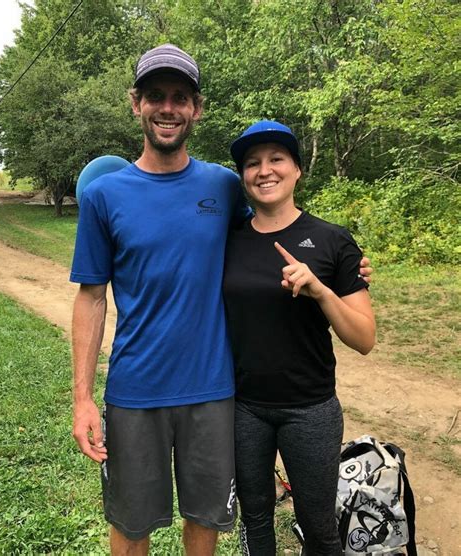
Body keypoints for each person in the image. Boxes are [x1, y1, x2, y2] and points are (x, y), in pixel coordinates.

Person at [70, 45, 372, 555]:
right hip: (134, 391)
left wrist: (343, 265)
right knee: (130, 526)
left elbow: (273, 225)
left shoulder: (224, 185)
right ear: (136, 103)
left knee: (205, 520)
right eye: (156, 96)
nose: (168, 108)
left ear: (197, 108)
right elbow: (91, 297)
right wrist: (81, 397)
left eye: (180, 98)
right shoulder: (105, 196)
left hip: (214, 393)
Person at [223, 120, 376, 555]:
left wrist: (321, 291)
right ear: (243, 177)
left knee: (319, 528)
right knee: (254, 521)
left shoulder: (333, 241)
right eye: (252, 163)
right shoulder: (226, 240)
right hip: (243, 406)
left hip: (310, 408)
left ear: (297, 170)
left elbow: (364, 338)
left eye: (276, 159)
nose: (264, 170)